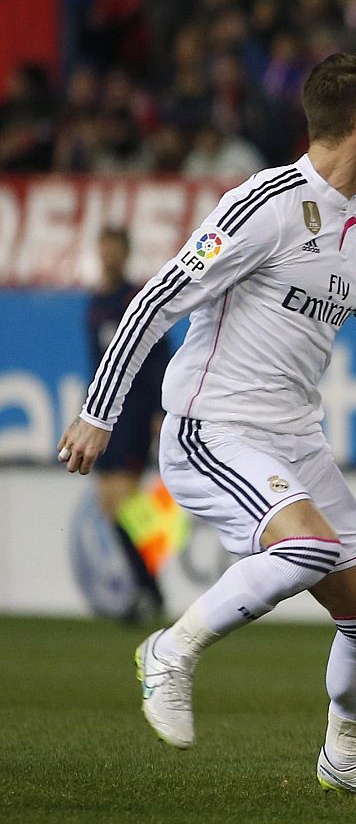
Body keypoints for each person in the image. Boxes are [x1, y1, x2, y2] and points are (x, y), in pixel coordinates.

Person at [57, 53, 356, 799]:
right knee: (304, 546)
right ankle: (169, 649)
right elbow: (155, 298)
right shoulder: (262, 204)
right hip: (212, 425)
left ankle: (347, 757)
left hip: (295, 438)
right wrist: (98, 411)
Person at [85, 226, 173, 624]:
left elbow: (157, 357)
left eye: (115, 250)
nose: (109, 257)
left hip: (134, 411)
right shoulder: (95, 304)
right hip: (106, 416)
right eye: (104, 250)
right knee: (111, 508)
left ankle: (149, 591)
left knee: (123, 505)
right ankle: (148, 588)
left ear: (125, 253)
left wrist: (157, 410)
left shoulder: (135, 300)